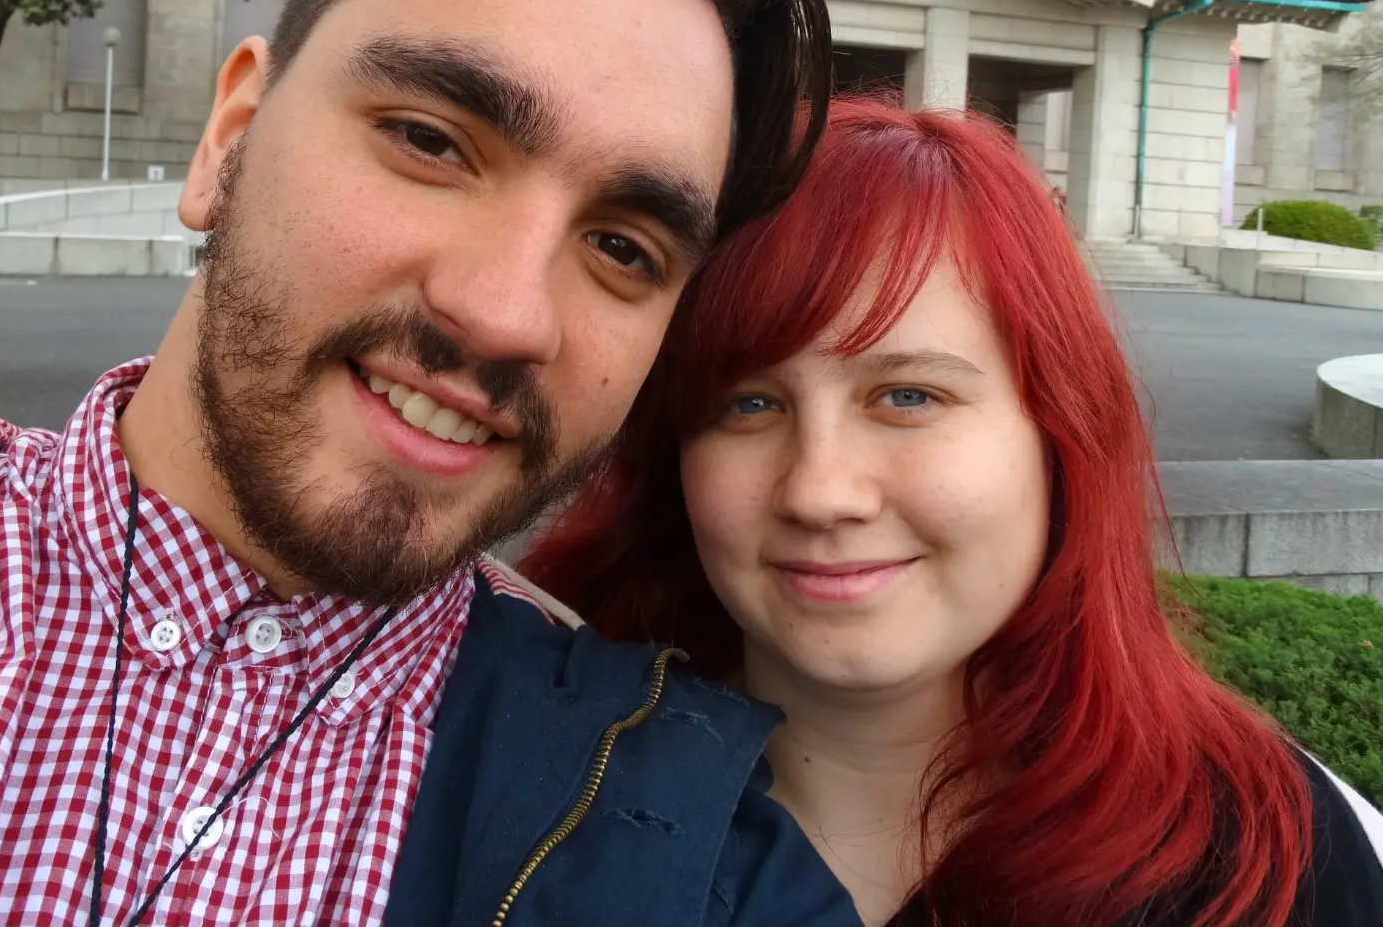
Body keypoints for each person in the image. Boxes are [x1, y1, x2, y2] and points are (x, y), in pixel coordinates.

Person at [0, 0, 860, 927]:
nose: (503, 314)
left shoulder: (702, 868)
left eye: (622, 247)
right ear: (228, 140)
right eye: (431, 141)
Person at [525, 98, 1383, 927]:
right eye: (747, 406)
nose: (820, 491)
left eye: (907, 395)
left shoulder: (1267, 862)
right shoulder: (528, 792)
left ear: (1058, 435)